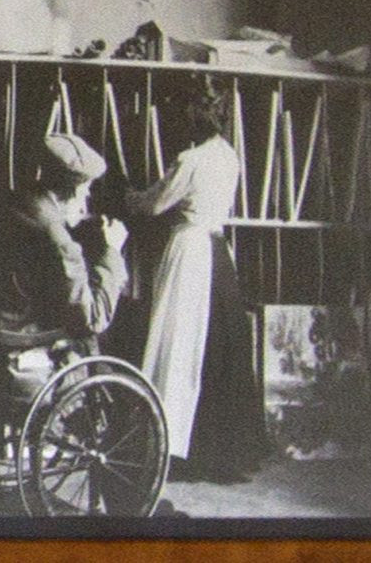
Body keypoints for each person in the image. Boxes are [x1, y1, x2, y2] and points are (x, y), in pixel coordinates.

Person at [126, 74, 268, 482]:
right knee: (221, 346)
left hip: (190, 251)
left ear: (194, 120)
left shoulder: (190, 160)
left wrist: (128, 197)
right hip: (220, 252)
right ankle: (222, 452)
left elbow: (154, 205)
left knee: (181, 343)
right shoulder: (229, 156)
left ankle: (174, 447)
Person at [0, 133, 129, 401]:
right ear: (75, 190)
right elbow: (92, 318)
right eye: (87, 190)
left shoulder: (4, 207)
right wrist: (112, 252)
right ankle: (81, 423)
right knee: (92, 339)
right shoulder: (57, 240)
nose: (87, 200)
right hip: (21, 342)